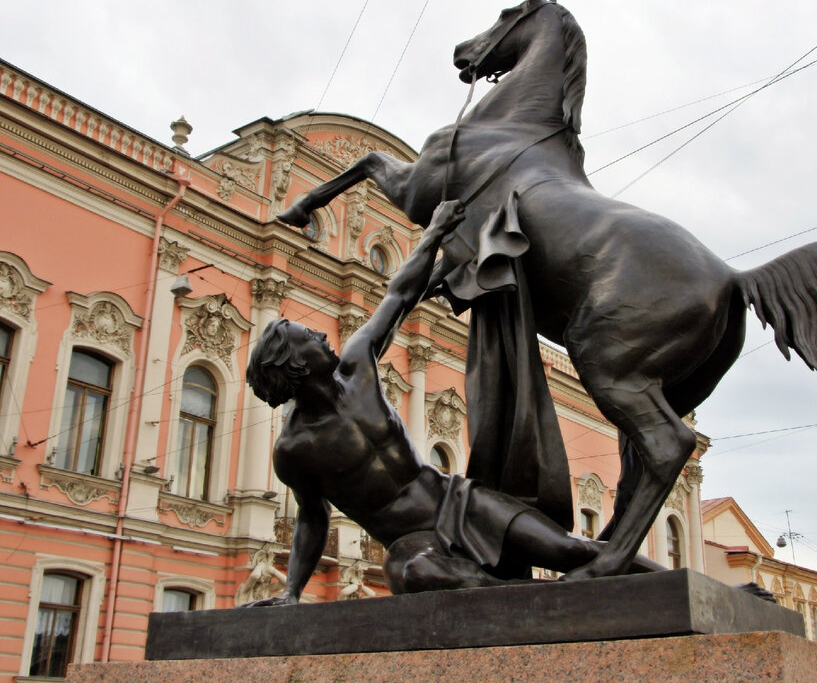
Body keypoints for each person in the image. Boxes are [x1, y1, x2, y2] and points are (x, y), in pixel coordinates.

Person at [244, 200, 657, 603]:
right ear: (295, 363)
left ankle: (679, 584)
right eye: (307, 337)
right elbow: (312, 518)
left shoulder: (357, 368)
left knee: (569, 550)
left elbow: (399, 296)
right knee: (412, 574)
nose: (319, 336)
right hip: (411, 539)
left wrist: (436, 232)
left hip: (456, 501)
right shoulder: (294, 449)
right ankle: (551, 599)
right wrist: (291, 592)